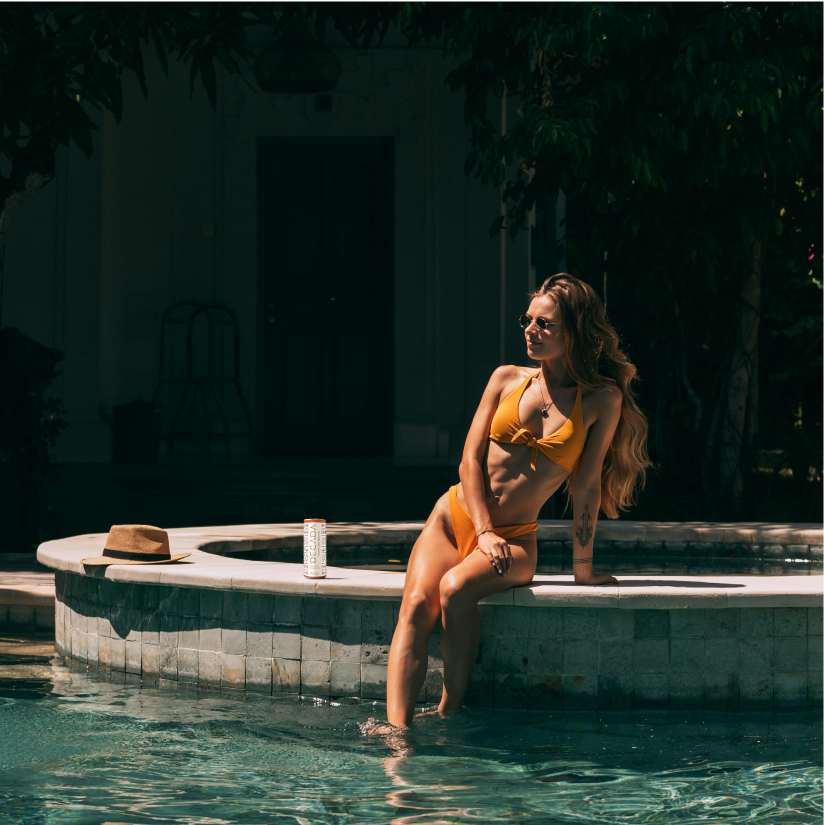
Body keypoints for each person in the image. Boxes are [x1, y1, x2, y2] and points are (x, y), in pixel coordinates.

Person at [384, 273, 651, 728]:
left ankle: (448, 717)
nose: (530, 330)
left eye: (544, 325)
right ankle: (397, 735)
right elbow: (469, 459)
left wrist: (582, 569)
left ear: (575, 333)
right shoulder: (507, 379)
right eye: (528, 321)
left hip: (516, 539)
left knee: (454, 591)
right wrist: (483, 531)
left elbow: (586, 485)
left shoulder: (603, 399)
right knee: (415, 605)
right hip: (455, 518)